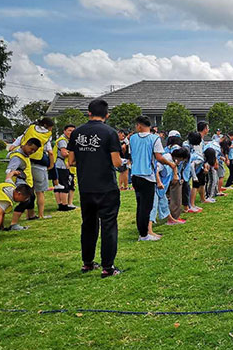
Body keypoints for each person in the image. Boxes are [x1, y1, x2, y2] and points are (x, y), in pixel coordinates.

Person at [67, 99, 123, 277]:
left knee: (88, 224)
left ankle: (87, 263)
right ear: (107, 114)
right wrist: (124, 164)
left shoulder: (77, 133)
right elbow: (116, 161)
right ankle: (108, 267)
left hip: (86, 186)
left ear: (89, 113)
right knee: (108, 225)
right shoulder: (110, 133)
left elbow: (71, 161)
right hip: (106, 186)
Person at [129, 115, 178, 242]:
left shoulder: (133, 138)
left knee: (140, 206)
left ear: (139, 126)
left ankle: (143, 233)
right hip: (148, 176)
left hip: (135, 175)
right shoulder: (154, 139)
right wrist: (170, 164)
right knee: (147, 207)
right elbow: (158, 157)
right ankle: (145, 235)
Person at [15, 117, 55, 220]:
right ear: (48, 126)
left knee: (29, 190)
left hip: (25, 162)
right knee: (40, 192)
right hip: (39, 164)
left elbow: (20, 139)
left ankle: (30, 214)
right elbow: (50, 152)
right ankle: (41, 214)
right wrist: (51, 165)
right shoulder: (47, 135)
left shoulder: (30, 128)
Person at [148, 147, 190, 238]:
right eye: (182, 159)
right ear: (179, 157)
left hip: (162, 188)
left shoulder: (173, 161)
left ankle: (171, 220)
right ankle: (149, 230)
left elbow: (173, 168)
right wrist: (158, 182)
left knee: (164, 204)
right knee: (153, 206)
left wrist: (175, 175)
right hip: (155, 185)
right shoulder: (166, 158)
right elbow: (156, 170)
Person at [5, 138, 41, 231]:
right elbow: (9, 170)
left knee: (31, 197)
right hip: (18, 182)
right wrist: (14, 177)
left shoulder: (24, 155)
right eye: (31, 149)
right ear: (26, 144)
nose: (32, 152)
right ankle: (14, 224)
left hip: (26, 181)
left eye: (35, 151)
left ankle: (31, 215)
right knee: (26, 200)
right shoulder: (17, 157)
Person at [0, 170, 33, 248]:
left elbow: (8, 176)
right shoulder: (5, 200)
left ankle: (1, 227)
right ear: (19, 194)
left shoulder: (11, 186)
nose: (23, 201)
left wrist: (14, 173)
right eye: (24, 198)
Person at [53, 124, 77, 212]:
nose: (71, 133)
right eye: (69, 130)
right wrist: (74, 154)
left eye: (73, 131)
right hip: (62, 165)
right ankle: (64, 204)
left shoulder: (67, 140)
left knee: (59, 186)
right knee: (64, 185)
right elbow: (64, 153)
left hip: (59, 165)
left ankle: (61, 204)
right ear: (64, 131)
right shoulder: (63, 141)